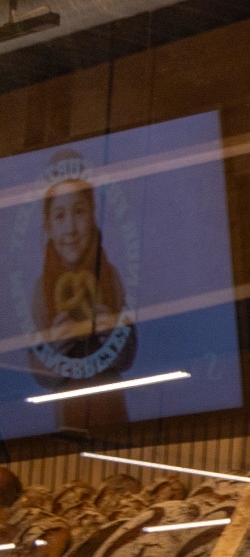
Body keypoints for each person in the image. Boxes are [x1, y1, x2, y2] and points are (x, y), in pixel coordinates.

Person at [30, 173, 136, 427]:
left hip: (112, 410)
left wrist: (115, 338)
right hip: (67, 417)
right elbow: (37, 372)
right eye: (59, 216)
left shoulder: (111, 276)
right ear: (48, 226)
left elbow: (129, 355)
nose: (70, 228)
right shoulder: (40, 291)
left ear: (92, 216)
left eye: (79, 212)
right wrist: (52, 352)